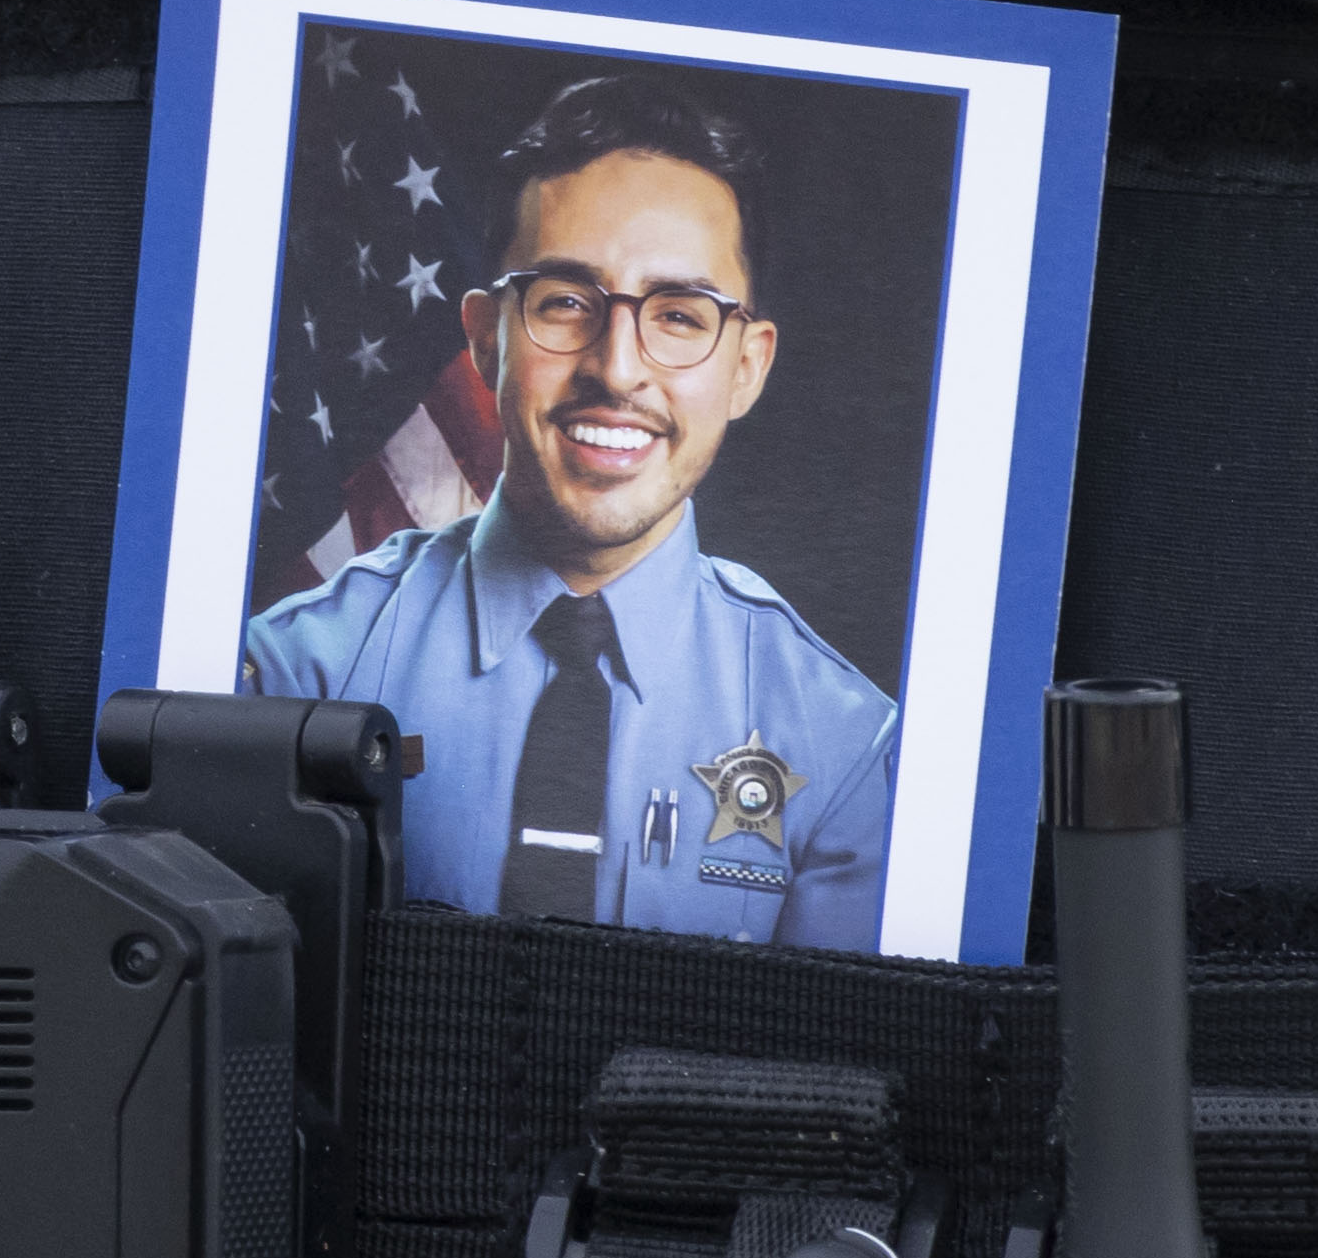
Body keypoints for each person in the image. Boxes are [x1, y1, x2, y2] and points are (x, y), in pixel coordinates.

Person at [242, 74, 899, 949]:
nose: (618, 370)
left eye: (680, 315)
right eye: (564, 302)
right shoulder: (298, 672)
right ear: (485, 338)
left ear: (747, 366)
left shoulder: (844, 745)